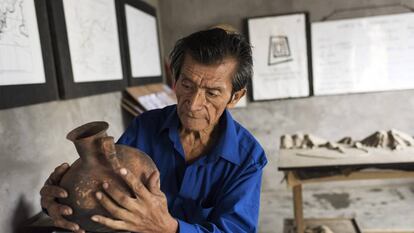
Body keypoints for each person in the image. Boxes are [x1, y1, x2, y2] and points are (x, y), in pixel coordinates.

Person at [40, 28, 268, 233]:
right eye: (187, 85)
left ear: (235, 97)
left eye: (212, 93)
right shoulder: (145, 127)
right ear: (175, 79)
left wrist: (170, 229)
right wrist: (58, 204)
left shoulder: (248, 157)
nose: (194, 103)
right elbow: (105, 190)